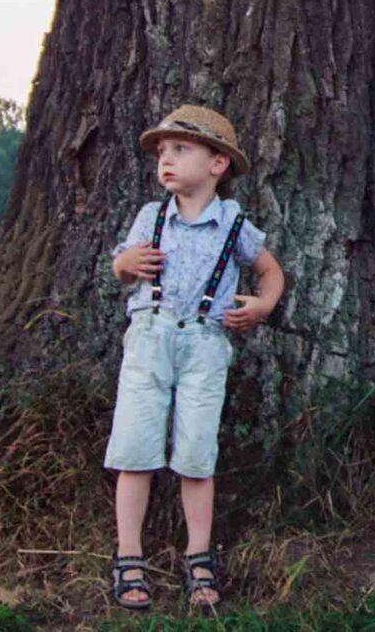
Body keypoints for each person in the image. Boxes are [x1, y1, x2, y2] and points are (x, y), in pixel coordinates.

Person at [104, 104, 285, 611]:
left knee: (195, 455)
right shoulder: (150, 215)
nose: (166, 160)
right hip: (150, 338)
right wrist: (125, 263)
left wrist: (264, 303)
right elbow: (121, 267)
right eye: (162, 152)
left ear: (217, 164)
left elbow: (270, 271)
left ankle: (198, 554)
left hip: (206, 343)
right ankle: (128, 554)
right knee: (135, 449)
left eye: (180, 149)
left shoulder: (234, 224)